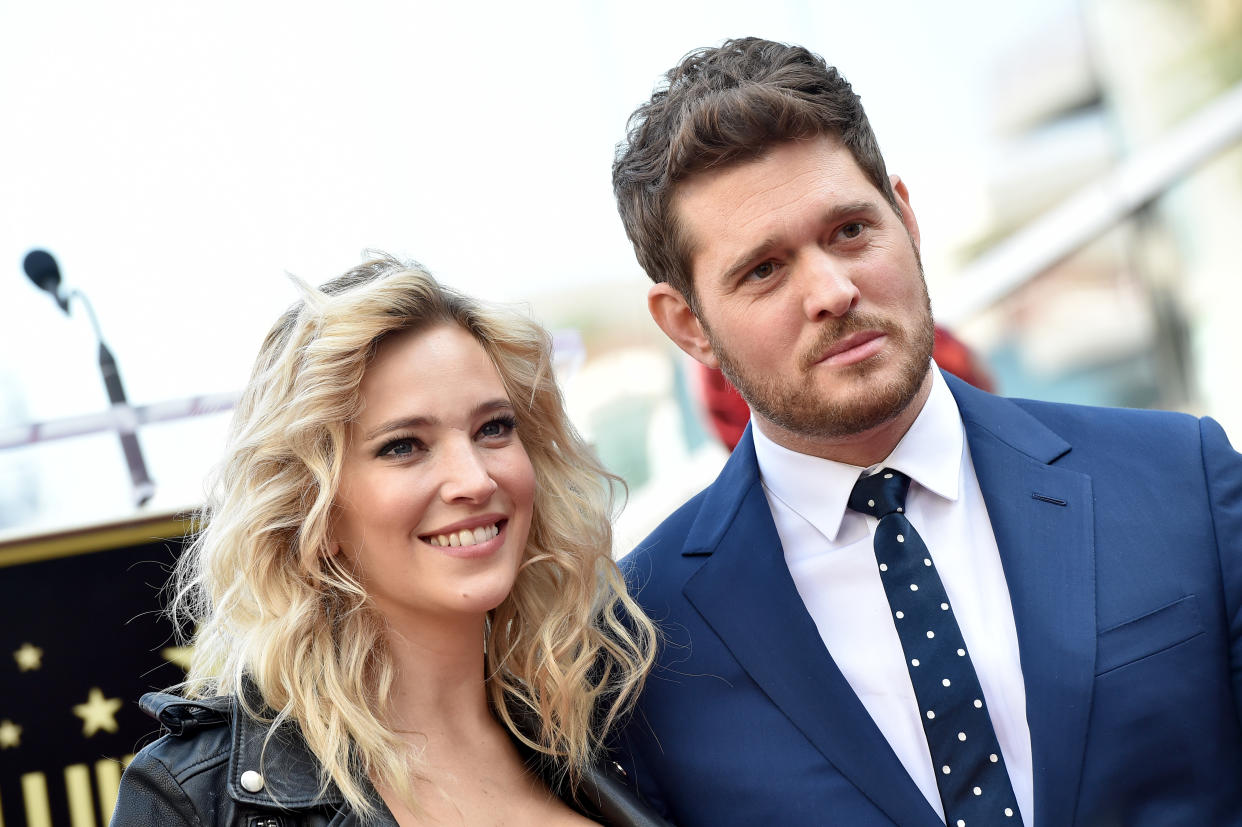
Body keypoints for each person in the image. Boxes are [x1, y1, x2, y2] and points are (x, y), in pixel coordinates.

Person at [609, 37, 1242, 826]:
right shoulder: (641, 641)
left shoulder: (1180, 480)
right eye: (764, 270)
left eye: (849, 231)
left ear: (904, 216)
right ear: (687, 325)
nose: (833, 291)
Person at [110, 255, 669, 826]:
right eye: (404, 445)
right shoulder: (192, 797)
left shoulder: (615, 723)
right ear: (313, 510)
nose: (476, 480)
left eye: (493, 428)